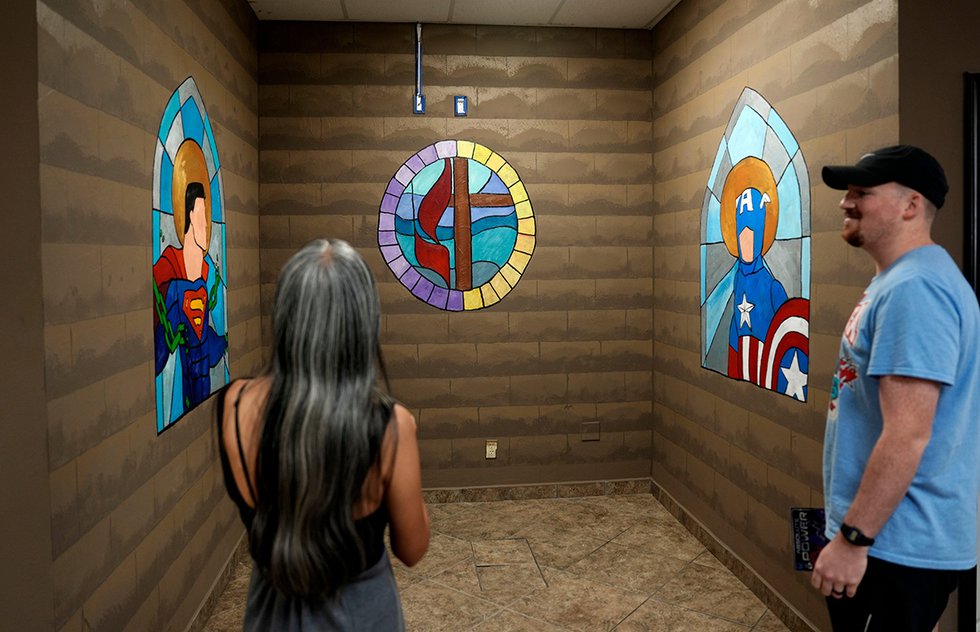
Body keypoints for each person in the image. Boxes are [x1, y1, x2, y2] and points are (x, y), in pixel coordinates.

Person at [215, 239, 430, 631]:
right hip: (360, 613)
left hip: (270, 612)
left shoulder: (235, 403)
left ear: (285, 316)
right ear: (362, 323)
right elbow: (412, 548)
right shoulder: (390, 425)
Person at [811, 145, 980, 631]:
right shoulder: (899, 281)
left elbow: (907, 433)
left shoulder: (917, 290)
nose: (847, 202)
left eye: (862, 192)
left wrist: (852, 540)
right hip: (886, 541)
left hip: (898, 546)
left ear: (910, 206)